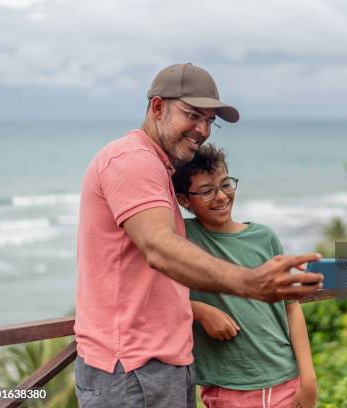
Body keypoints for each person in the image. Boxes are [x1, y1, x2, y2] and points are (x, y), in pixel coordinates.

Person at [74, 63, 323, 407]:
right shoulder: (132, 161)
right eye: (192, 115)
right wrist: (249, 283)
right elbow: (159, 246)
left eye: (209, 120)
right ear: (158, 107)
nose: (202, 129)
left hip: (162, 366)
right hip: (132, 369)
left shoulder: (158, 168)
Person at [173, 144, 317, 408]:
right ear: (184, 200)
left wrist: (308, 379)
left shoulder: (264, 237)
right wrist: (199, 310)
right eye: (206, 191)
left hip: (287, 381)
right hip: (228, 391)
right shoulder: (181, 239)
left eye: (225, 184)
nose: (220, 197)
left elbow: (291, 307)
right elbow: (151, 289)